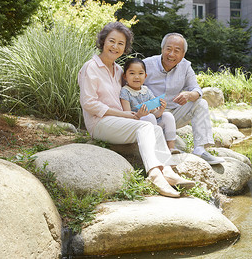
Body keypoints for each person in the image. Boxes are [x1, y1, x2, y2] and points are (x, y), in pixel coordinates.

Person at [78, 22, 194, 198]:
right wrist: (123, 114)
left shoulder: (118, 70)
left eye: (121, 43)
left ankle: (168, 171)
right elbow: (89, 103)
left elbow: (130, 95)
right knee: (146, 127)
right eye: (112, 41)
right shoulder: (91, 67)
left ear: (125, 48)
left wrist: (144, 111)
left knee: (154, 127)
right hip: (100, 123)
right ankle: (155, 175)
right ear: (103, 41)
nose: (115, 47)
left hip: (120, 122)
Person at [143, 33, 225, 165]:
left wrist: (189, 95)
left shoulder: (185, 66)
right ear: (162, 49)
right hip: (149, 116)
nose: (171, 54)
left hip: (173, 115)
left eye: (177, 51)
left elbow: (196, 89)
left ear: (183, 54)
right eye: (168, 49)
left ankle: (199, 149)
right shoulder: (146, 64)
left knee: (201, 102)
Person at [119, 57, 181, 155]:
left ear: (145, 76)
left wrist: (161, 110)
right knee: (150, 116)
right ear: (125, 76)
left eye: (140, 73)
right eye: (132, 73)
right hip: (137, 124)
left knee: (168, 115)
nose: (136, 77)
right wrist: (139, 115)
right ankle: (157, 148)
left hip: (152, 123)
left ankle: (171, 147)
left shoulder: (146, 90)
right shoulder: (125, 91)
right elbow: (127, 115)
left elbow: (155, 113)